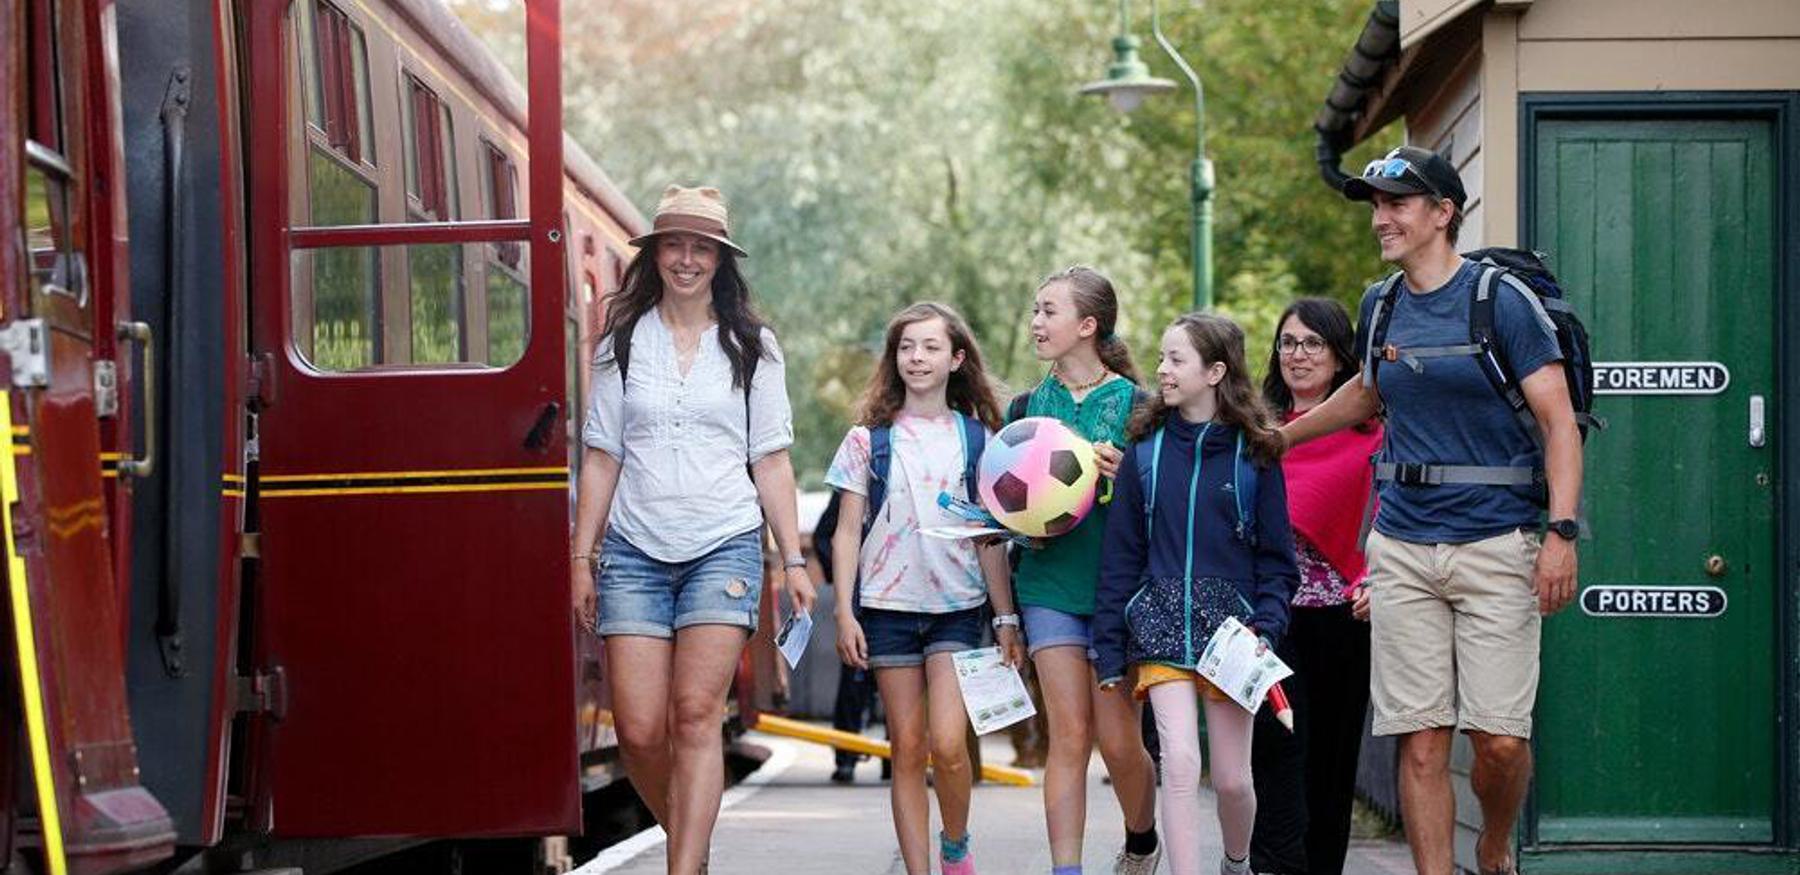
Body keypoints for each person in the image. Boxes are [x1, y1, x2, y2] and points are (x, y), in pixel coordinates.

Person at [1281, 146, 1584, 875]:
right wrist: (1279, 437)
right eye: (1377, 205)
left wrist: (1562, 533)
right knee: (1419, 739)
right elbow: (1365, 392)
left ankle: (1492, 840)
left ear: (1444, 213)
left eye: (1398, 204)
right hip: (1404, 545)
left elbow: (1559, 423)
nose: (1382, 218)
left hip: (1496, 541)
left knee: (1499, 740)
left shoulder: (1498, 302)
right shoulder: (1379, 302)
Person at [570, 185, 817, 875]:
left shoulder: (751, 346)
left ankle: (683, 870)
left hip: (724, 543)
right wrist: (580, 555)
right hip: (633, 548)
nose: (686, 259)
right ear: (655, 255)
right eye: (675, 245)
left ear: (719, 259)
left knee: (694, 714)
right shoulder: (621, 342)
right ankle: (691, 842)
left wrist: (793, 559)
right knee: (642, 728)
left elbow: (771, 459)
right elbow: (602, 454)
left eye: (700, 247)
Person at [1093, 312, 1299, 875]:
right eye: (1161, 357)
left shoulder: (1257, 454)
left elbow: (1279, 562)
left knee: (1233, 781)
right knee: (1179, 764)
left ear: (1215, 370)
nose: (1161, 370)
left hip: (1232, 636)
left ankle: (1236, 863)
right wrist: (1109, 646)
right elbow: (1121, 558)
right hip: (1158, 625)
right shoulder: (1144, 453)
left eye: (1175, 359)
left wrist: (1267, 628)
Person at [825, 302, 1024, 875]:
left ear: (957, 358)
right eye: (907, 347)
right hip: (887, 609)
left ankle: (955, 844)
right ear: (895, 358)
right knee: (906, 750)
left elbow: (990, 537)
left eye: (931, 347)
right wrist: (844, 612)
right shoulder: (868, 441)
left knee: (948, 745)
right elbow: (844, 534)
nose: (917, 357)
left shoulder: (979, 440)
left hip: (957, 609)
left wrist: (1005, 619)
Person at [1011, 266, 1161, 875]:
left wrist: (1132, 477)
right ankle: (1066, 869)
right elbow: (1002, 506)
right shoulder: (1024, 408)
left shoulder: (1143, 408)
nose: (1037, 322)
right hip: (1047, 585)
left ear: (1088, 325)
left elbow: (1172, 508)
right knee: (1068, 736)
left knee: (1121, 741)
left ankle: (1142, 840)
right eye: (1036, 310)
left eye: (1050, 311)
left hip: (1119, 592)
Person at [1249, 299, 1384, 875]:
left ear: (1339, 357)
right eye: (1287, 343)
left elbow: (1385, 514)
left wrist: (1374, 576)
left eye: (1312, 344)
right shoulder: (1254, 432)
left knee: (1332, 760)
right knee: (1274, 756)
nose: (1297, 355)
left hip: (1344, 616)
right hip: (1269, 619)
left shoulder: (1372, 434)